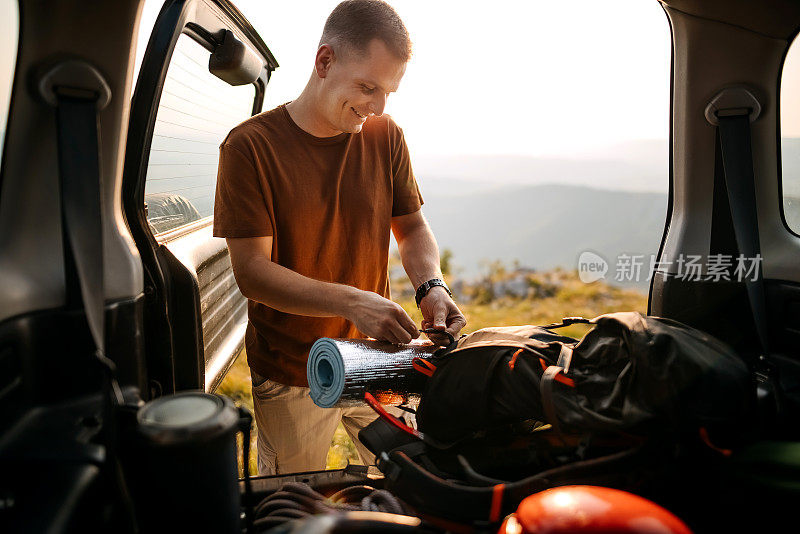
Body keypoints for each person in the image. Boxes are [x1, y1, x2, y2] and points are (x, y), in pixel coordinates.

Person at [213, 0, 466, 475]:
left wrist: (431, 285)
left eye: (388, 91)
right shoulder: (249, 147)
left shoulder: (386, 135)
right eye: (368, 87)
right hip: (294, 370)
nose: (376, 106)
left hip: (383, 357)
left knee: (412, 481)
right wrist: (352, 302)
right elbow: (253, 273)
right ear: (325, 61)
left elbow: (411, 227)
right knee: (295, 502)